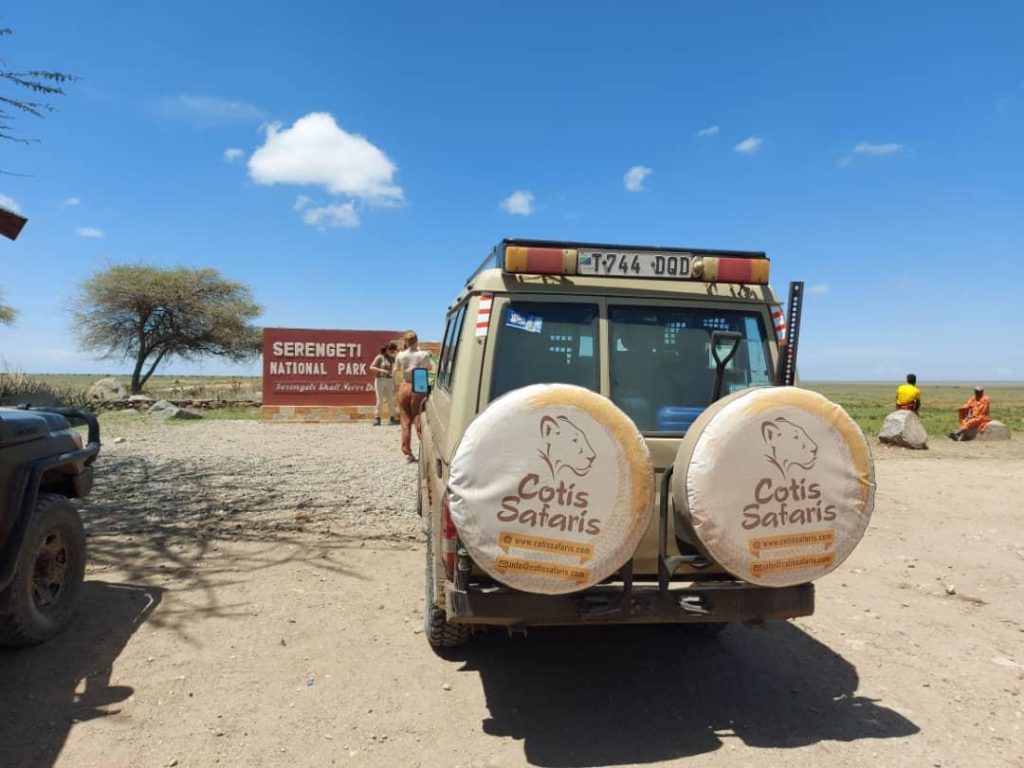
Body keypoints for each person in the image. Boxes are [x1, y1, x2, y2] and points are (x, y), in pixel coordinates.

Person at [395, 330, 433, 463]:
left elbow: (396, 369)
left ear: (405, 341)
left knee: (405, 421)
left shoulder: (400, 355)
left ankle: (407, 453)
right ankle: (425, 451)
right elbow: (428, 368)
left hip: (405, 385)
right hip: (419, 384)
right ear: (417, 340)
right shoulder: (423, 354)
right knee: (419, 418)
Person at [368, 343, 399, 426]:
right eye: (389, 350)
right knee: (380, 399)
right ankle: (377, 418)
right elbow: (371, 367)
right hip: (380, 380)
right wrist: (382, 370)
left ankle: (392, 418)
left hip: (389, 380)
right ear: (385, 350)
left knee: (390, 399)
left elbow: (398, 362)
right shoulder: (379, 357)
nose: (391, 351)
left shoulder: (391, 358)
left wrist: (393, 372)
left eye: (392, 350)